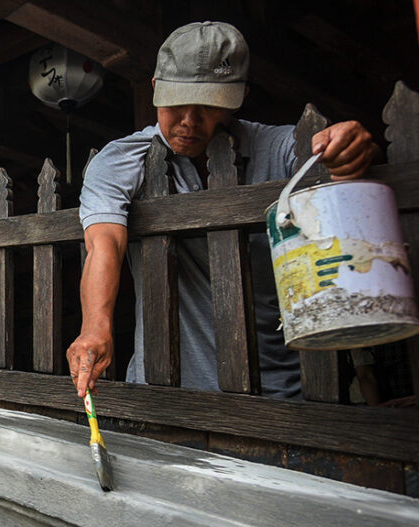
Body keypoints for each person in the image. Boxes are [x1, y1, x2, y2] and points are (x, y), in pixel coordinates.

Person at [67, 21, 378, 399]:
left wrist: (345, 150)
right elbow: (104, 242)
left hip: (283, 389)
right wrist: (95, 327)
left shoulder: (281, 148)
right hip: (165, 391)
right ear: (155, 88)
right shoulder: (121, 160)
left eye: (208, 104)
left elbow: (330, 176)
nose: (188, 121)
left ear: (238, 97)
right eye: (176, 101)